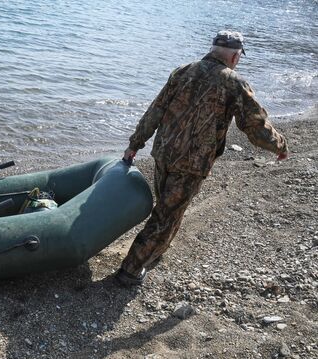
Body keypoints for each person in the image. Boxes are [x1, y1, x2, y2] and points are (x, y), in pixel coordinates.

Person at [116, 30, 288, 287]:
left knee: (168, 208)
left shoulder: (183, 71)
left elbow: (156, 109)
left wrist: (135, 143)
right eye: (238, 56)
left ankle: (155, 250)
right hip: (192, 164)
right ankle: (130, 270)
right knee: (165, 216)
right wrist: (280, 146)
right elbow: (256, 126)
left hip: (163, 153)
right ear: (234, 56)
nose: (238, 60)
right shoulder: (234, 83)